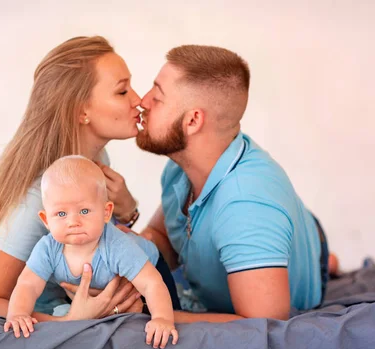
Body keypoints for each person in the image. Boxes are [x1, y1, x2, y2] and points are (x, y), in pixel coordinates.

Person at [0, 36, 179, 321]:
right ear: (82, 111)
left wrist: (127, 210)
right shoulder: (35, 197)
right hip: (59, 315)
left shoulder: (95, 161)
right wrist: (70, 321)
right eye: (122, 91)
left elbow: (97, 239)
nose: (138, 100)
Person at [135, 44, 333, 323]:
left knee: (260, 246)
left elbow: (263, 325)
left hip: (304, 250)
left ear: (193, 120)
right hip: (258, 225)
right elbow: (162, 235)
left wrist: (157, 313)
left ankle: (315, 257)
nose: (143, 101)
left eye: (157, 96)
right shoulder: (180, 168)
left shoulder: (246, 205)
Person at [4, 156, 178, 349]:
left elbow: (151, 282)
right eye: (61, 214)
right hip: (97, 285)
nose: (73, 221)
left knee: (164, 310)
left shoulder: (117, 246)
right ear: (46, 220)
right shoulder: (47, 248)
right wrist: (18, 313)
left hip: (151, 265)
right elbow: (28, 284)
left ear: (106, 212)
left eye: (84, 211)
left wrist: (162, 318)